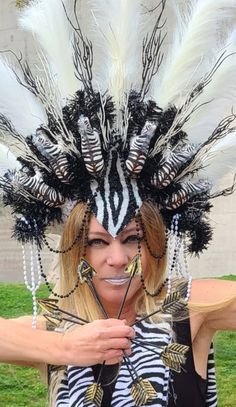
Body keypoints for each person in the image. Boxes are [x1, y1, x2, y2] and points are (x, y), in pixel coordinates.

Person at [0, 1, 236, 406]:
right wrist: (65, 349)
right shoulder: (57, 325)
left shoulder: (185, 307)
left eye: (133, 238)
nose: (117, 258)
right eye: (96, 241)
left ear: (155, 244)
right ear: (76, 249)